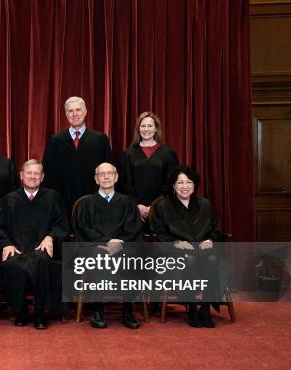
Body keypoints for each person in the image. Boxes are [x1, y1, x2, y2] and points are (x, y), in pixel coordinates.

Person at [0, 159, 69, 329]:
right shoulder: (9, 199)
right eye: (29, 173)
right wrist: (6, 243)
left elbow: (61, 225)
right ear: (21, 175)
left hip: (41, 250)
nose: (32, 176)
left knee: (41, 262)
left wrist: (51, 237)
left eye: (37, 173)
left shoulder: (52, 197)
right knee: (12, 264)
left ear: (42, 177)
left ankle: (41, 312)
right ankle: (20, 311)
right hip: (17, 249)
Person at [151, 165, 224, 328]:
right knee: (189, 259)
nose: (185, 186)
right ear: (173, 186)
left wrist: (211, 240)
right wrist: (176, 243)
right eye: (180, 182)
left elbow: (216, 230)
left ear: (194, 185)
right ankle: (191, 307)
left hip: (204, 250)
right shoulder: (163, 206)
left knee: (212, 258)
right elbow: (160, 235)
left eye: (189, 182)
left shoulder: (205, 204)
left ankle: (205, 309)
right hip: (176, 252)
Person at [74, 162, 143, 329]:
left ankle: (128, 310)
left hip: (123, 247)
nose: (106, 177)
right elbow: (83, 229)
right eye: (101, 174)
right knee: (97, 259)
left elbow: (133, 228)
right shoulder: (86, 203)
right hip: (95, 247)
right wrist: (105, 242)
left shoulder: (127, 202)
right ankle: (97, 310)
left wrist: (118, 244)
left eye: (109, 173)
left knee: (133, 259)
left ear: (116, 177)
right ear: (96, 179)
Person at [42, 96, 112, 215]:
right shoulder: (55, 141)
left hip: (93, 204)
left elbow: (109, 173)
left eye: (78, 110)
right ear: (66, 114)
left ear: (85, 112)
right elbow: (47, 175)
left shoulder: (100, 140)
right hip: (62, 204)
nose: (75, 114)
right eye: (70, 111)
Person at [118, 112, 178, 227]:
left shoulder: (168, 153)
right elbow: (124, 184)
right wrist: (137, 206)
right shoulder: (128, 154)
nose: (146, 129)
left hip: (161, 211)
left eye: (150, 126)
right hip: (134, 211)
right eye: (143, 126)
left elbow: (171, 185)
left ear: (156, 129)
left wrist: (155, 206)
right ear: (138, 129)